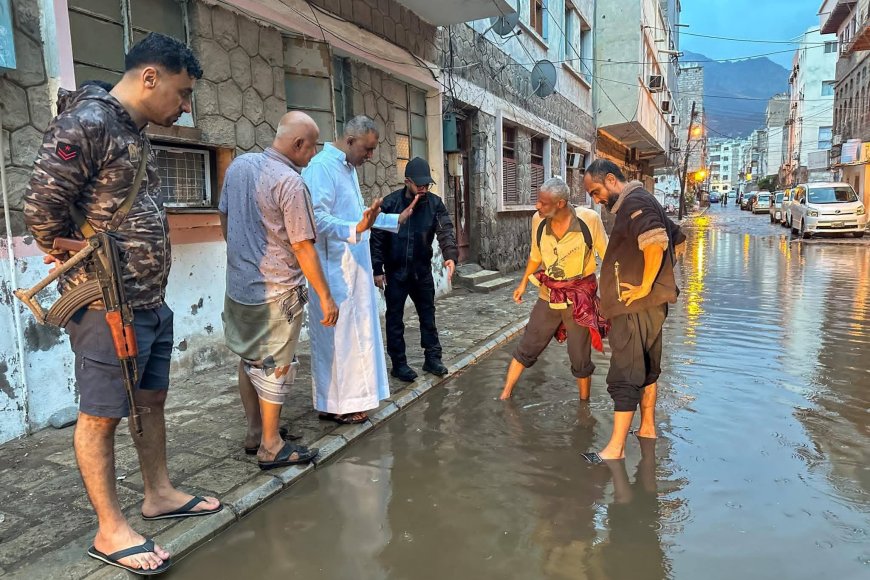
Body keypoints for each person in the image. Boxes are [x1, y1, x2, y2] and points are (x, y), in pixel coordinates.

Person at [23, 33, 219, 575]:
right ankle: (110, 529)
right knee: (102, 414)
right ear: (149, 77)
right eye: (181, 94)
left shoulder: (131, 129)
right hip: (105, 304)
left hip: (148, 300)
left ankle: (158, 494)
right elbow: (40, 211)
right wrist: (82, 257)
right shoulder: (85, 122)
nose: (184, 108)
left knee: (151, 400)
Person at [219, 112, 334, 470]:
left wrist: (243, 255)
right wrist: (325, 296)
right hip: (277, 293)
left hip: (239, 287)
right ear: (298, 145)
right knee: (275, 365)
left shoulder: (239, 166)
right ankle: (271, 445)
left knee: (249, 358)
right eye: (312, 146)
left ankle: (255, 432)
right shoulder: (290, 183)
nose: (313, 154)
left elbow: (224, 216)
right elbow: (302, 247)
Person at [302, 116, 420, 424]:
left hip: (354, 267)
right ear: (350, 141)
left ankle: (342, 402)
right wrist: (355, 227)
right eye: (367, 149)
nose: (370, 156)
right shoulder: (321, 168)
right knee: (338, 339)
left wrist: (395, 219)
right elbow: (317, 219)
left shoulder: (347, 169)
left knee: (355, 337)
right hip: (332, 269)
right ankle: (337, 405)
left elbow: (360, 218)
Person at [580, 160, 685, 464]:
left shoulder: (635, 202)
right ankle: (647, 428)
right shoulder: (646, 199)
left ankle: (615, 449)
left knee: (625, 373)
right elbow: (679, 240)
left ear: (611, 180)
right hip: (650, 307)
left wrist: (643, 285)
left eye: (596, 191)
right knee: (649, 366)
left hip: (634, 308)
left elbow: (656, 242)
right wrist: (659, 280)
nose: (596, 198)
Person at [499, 177, 609, 401]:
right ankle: (505, 393)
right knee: (528, 345)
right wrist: (522, 284)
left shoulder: (589, 220)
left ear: (560, 203)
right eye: (538, 201)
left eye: (543, 203)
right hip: (548, 295)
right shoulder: (538, 221)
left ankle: (584, 403)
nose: (538, 206)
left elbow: (607, 256)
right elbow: (535, 256)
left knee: (579, 356)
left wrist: (611, 295)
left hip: (579, 299)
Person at [370, 157, 458, 382]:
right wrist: (377, 268)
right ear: (407, 181)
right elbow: (377, 236)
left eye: (426, 184)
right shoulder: (390, 204)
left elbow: (445, 231)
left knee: (428, 315)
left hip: (421, 270)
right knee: (395, 318)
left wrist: (450, 257)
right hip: (395, 271)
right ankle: (399, 364)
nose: (423, 188)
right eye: (418, 184)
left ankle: (433, 358)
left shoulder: (435, 204)